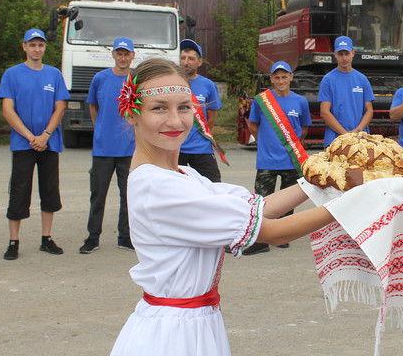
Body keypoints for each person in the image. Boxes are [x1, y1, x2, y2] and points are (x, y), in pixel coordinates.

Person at [109, 58, 341, 356]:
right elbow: (273, 232)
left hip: (194, 323)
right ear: (132, 113)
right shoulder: (158, 187)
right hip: (171, 335)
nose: (175, 120)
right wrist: (353, 202)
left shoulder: (184, 175)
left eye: (183, 106)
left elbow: (259, 207)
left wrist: (324, 180)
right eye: (159, 107)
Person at [0, 28, 70, 260]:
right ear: (24, 47)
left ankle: (46, 238)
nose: (36, 49)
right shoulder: (12, 74)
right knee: (19, 191)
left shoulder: (54, 74)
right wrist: (30, 137)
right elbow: (8, 110)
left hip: (49, 143)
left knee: (49, 191)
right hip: (23, 144)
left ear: (44, 47)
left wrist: (46, 135)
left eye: (40, 45)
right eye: (32, 45)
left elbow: (60, 107)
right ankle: (13, 241)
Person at [241, 61, 312, 255]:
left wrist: (289, 144)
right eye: (277, 77)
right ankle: (262, 239)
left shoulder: (301, 102)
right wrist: (267, 141)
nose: (281, 81)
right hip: (267, 160)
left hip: (290, 158)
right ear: (271, 79)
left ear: (291, 77)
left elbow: (303, 130)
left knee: (288, 200)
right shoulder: (261, 100)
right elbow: (253, 125)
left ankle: (283, 235)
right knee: (263, 200)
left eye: (284, 76)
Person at [79, 37, 137, 254]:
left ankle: (125, 236)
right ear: (113, 54)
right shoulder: (100, 78)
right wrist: (102, 130)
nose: (123, 58)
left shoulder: (136, 81)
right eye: (119, 53)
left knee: (128, 195)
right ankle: (93, 237)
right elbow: (93, 107)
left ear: (132, 56)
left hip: (129, 150)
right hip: (103, 149)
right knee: (98, 195)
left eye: (127, 54)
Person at [178, 39, 224, 182]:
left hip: (201, 149)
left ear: (199, 62)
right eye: (183, 58)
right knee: (175, 191)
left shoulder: (208, 85)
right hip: (176, 148)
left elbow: (211, 119)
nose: (186, 62)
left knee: (214, 186)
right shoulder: (170, 82)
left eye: (191, 58)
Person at [318, 36, 375, 147]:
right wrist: (345, 135)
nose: (344, 58)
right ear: (335, 54)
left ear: (353, 53)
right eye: (340, 54)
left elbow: (369, 110)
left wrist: (357, 131)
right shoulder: (328, 80)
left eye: (347, 53)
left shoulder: (362, 79)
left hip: (361, 140)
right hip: (335, 141)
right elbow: (324, 112)